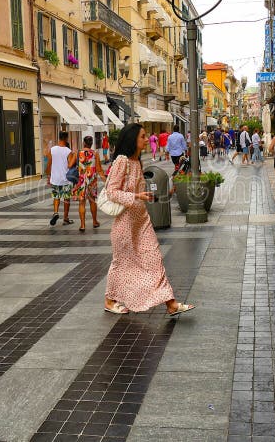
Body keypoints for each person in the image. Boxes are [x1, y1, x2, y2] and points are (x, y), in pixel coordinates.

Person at [103, 123, 195, 316]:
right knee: (121, 262)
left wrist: (146, 196)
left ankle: (171, 304)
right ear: (132, 139)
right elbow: (112, 191)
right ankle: (110, 300)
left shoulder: (137, 161)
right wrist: (136, 196)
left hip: (141, 220)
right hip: (125, 222)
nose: (147, 140)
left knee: (154, 258)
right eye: (143, 136)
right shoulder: (123, 161)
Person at [73, 135, 106, 232]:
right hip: (91, 180)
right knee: (92, 201)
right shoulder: (95, 153)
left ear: (84, 143)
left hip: (81, 179)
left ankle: (82, 225)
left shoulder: (78, 152)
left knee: (81, 202)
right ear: (91, 144)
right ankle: (95, 221)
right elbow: (99, 169)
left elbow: (70, 164)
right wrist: (106, 181)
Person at [46, 131, 77, 225]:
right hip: (65, 179)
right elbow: (70, 165)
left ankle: (55, 213)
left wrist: (48, 175)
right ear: (66, 138)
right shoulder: (68, 151)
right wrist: (75, 155)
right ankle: (66, 218)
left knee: (56, 197)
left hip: (55, 178)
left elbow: (49, 163)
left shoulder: (52, 149)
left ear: (59, 138)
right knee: (66, 199)